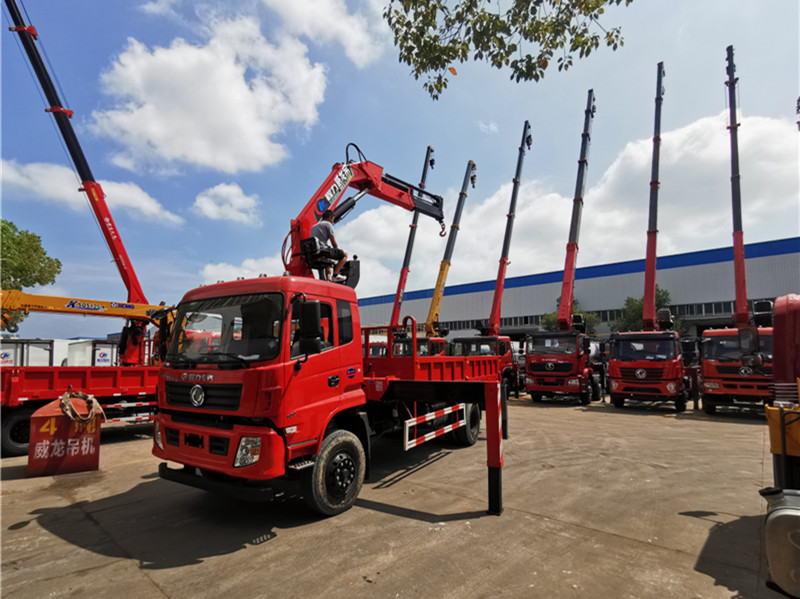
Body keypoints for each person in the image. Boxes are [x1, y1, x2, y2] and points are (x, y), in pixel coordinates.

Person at [309, 209, 348, 281]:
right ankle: (335, 276)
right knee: (345, 254)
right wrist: (336, 250)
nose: (333, 221)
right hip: (322, 251)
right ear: (330, 217)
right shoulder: (328, 224)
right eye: (333, 219)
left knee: (329, 255)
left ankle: (328, 278)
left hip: (314, 253)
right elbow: (333, 242)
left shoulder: (313, 227)